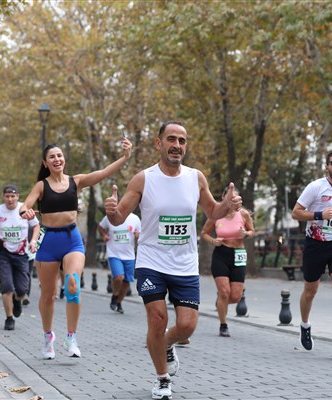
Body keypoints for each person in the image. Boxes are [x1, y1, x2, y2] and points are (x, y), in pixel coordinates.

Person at [104, 121, 242, 400]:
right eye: (171, 139)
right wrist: (111, 211)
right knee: (157, 318)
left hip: (185, 263)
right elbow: (118, 218)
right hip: (151, 261)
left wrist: (227, 205)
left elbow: (213, 211)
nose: (177, 145)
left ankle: (165, 343)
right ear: (159, 143)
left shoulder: (195, 178)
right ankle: (162, 378)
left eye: (181, 140)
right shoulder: (143, 179)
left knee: (188, 325)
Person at [20, 138, 132, 360]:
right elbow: (25, 206)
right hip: (48, 242)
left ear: (64, 159)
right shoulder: (41, 186)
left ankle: (71, 337)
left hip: (72, 239)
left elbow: (103, 173)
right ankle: (48, 337)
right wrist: (26, 212)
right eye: (52, 157)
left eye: (59, 155)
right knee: (48, 295)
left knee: (72, 285)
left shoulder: (76, 181)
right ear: (45, 163)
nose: (57, 159)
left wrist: (125, 157)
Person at [291, 150, 332, 357]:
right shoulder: (315, 187)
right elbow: (296, 213)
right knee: (310, 291)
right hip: (315, 244)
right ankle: (305, 325)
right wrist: (320, 214)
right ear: (327, 166)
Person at [0, 184, 40, 331]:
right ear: (3, 197)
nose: (10, 199)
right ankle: (9, 318)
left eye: (13, 196)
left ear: (18, 196)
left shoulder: (24, 209)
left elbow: (36, 226)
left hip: (21, 254)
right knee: (7, 286)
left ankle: (17, 299)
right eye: (7, 196)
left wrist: (33, 241)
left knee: (22, 289)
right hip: (4, 253)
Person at [200, 185, 255, 337]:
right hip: (221, 255)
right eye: (230, 197)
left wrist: (246, 234)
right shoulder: (216, 214)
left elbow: (252, 231)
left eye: (235, 197)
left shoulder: (243, 214)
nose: (233, 200)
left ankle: (220, 302)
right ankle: (223, 325)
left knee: (236, 296)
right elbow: (204, 233)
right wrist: (213, 241)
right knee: (224, 292)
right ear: (224, 198)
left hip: (238, 254)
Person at [98, 211, 141, 314]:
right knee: (119, 277)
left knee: (126, 282)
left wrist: (137, 235)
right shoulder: (110, 217)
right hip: (114, 253)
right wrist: (104, 235)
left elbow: (140, 233)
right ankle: (115, 295)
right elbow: (100, 227)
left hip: (129, 255)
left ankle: (118, 302)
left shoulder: (135, 218)